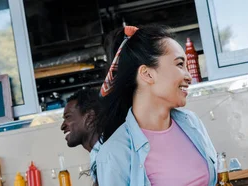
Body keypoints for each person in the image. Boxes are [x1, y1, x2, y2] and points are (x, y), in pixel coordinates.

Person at [93, 25, 218, 186]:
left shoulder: (192, 124)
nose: (189, 76)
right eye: (180, 64)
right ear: (147, 74)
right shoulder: (114, 153)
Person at [60, 88, 101, 183]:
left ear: (90, 117)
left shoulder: (108, 155)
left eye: (68, 117)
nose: (62, 126)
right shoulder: (97, 154)